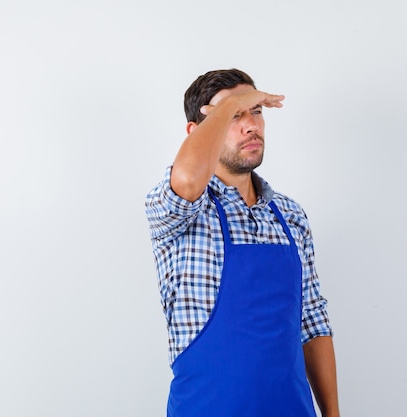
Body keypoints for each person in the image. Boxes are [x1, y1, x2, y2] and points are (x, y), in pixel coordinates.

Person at [145, 68, 339, 417]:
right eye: (234, 114)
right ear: (195, 132)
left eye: (256, 111)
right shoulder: (182, 211)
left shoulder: (290, 215)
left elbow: (312, 322)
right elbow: (188, 179)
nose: (251, 125)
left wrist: (333, 414)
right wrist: (231, 104)